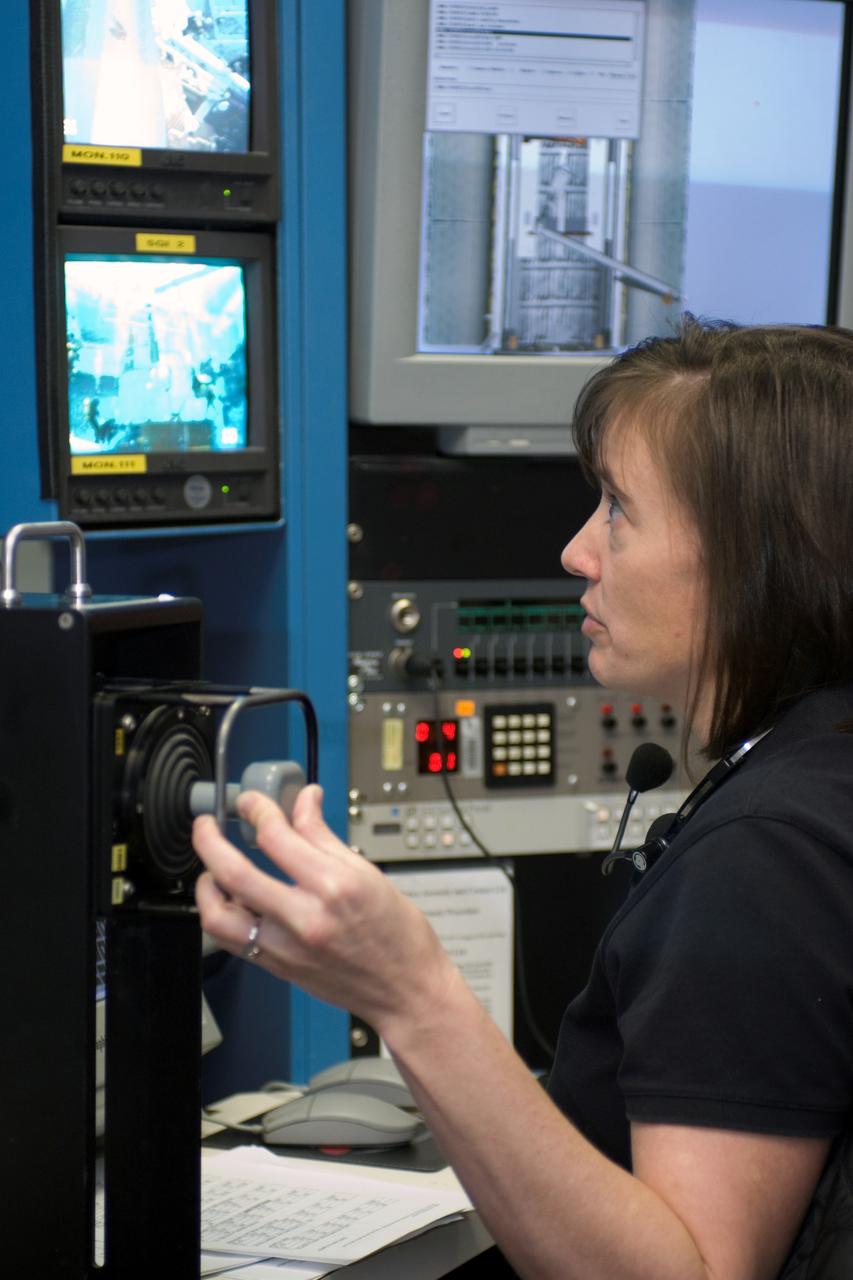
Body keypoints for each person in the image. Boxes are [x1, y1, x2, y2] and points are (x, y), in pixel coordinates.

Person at [193, 318, 853, 1280]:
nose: (577, 552)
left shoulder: (769, 855)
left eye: (619, 511)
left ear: (759, 556)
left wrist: (411, 996)